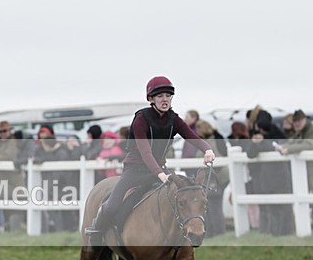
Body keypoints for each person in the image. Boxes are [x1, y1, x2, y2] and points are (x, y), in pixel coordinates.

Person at [85, 76, 215, 238]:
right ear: (151, 99)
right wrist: (160, 174)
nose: (165, 99)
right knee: (112, 206)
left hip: (160, 169)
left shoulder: (174, 119)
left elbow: (191, 136)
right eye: (160, 96)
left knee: (182, 198)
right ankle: (96, 233)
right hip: (136, 170)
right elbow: (145, 152)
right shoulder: (141, 119)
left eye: (168, 96)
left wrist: (207, 149)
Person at [276, 110, 313, 233]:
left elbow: (309, 146)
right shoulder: (301, 133)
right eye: (295, 121)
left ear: (305, 120)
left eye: (299, 121)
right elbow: (292, 141)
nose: (297, 124)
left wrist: (288, 150)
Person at [245, 106, 292, 236]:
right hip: (265, 175)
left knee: (282, 206)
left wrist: (263, 143)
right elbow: (250, 153)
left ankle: (283, 233)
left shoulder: (275, 133)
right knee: (269, 206)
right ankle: (271, 232)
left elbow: (280, 146)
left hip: (278, 174)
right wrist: (255, 143)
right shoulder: (257, 135)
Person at [0, 120, 25, 232]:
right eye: (1, 131)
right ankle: (10, 232)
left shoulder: (13, 142)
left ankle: (17, 232)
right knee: (6, 209)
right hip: (3, 183)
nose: (3, 133)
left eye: (5, 131)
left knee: (15, 209)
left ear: (10, 130)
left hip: (14, 182)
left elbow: (9, 156)